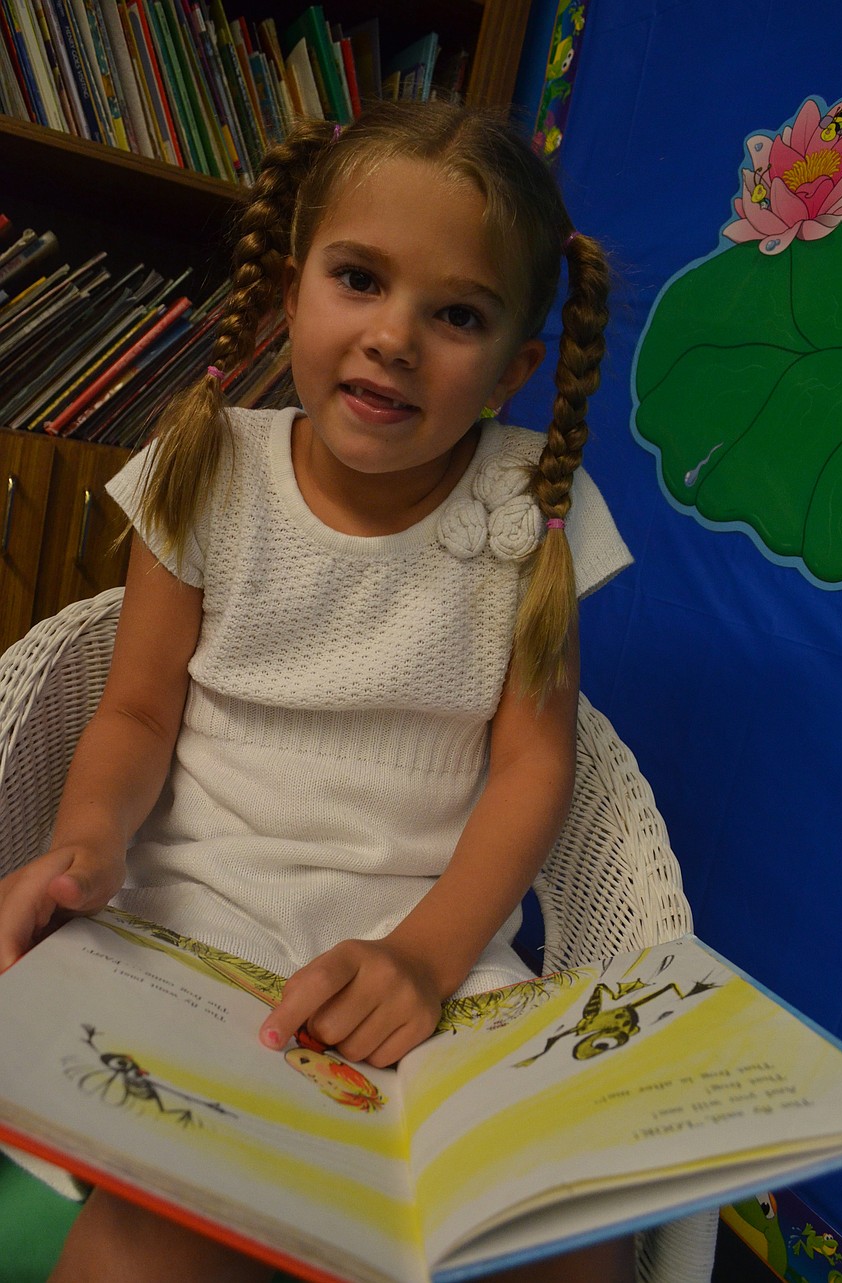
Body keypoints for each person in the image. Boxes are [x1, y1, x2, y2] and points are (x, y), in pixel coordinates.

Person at [0, 101, 635, 1281]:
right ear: (294, 290)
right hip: (200, 930)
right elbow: (136, 714)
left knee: (570, 1250)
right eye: (359, 278)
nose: (395, 337)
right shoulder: (207, 465)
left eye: (456, 314)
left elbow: (534, 764)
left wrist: (427, 957)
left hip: (431, 955)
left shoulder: (527, 506)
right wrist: (85, 840)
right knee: (147, 1242)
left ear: (515, 364)